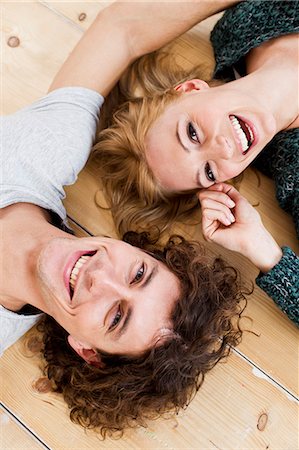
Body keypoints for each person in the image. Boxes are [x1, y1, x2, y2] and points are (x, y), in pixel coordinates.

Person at [1, 0, 246, 437]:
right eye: (137, 273)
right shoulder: (48, 150)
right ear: (134, 248)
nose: (100, 278)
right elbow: (122, 29)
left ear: (87, 351)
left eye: (115, 317)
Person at [93, 0, 299, 326]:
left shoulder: (243, 25)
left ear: (189, 89)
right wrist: (267, 254)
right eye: (208, 171)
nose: (221, 149)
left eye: (191, 133)